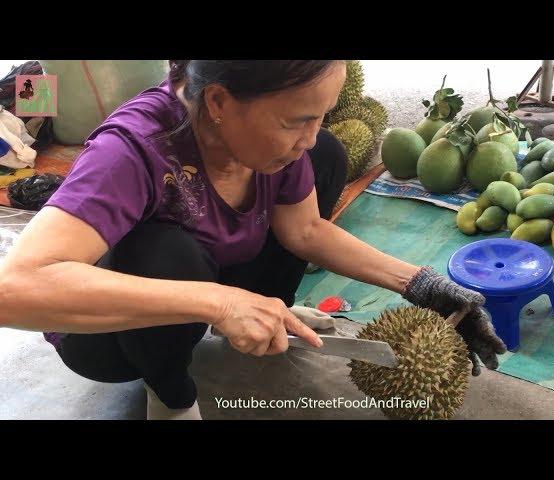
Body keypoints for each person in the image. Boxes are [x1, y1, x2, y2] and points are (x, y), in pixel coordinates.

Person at [0, 60, 506, 420]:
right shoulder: (132, 151)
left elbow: (305, 230)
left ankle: (265, 313)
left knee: (326, 155)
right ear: (219, 102)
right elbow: (14, 290)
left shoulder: (277, 146)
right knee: (163, 250)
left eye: (321, 113)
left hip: (211, 280)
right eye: (298, 119)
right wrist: (219, 303)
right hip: (112, 339)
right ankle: (169, 393)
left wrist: (420, 284)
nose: (308, 134)